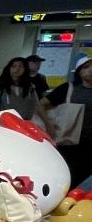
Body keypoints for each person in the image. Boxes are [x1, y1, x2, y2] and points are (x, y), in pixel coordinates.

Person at [39, 53, 92, 189]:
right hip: (69, 141)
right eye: (86, 67)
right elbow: (40, 105)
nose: (90, 70)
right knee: (68, 174)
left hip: (90, 144)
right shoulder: (68, 88)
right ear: (79, 71)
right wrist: (48, 124)